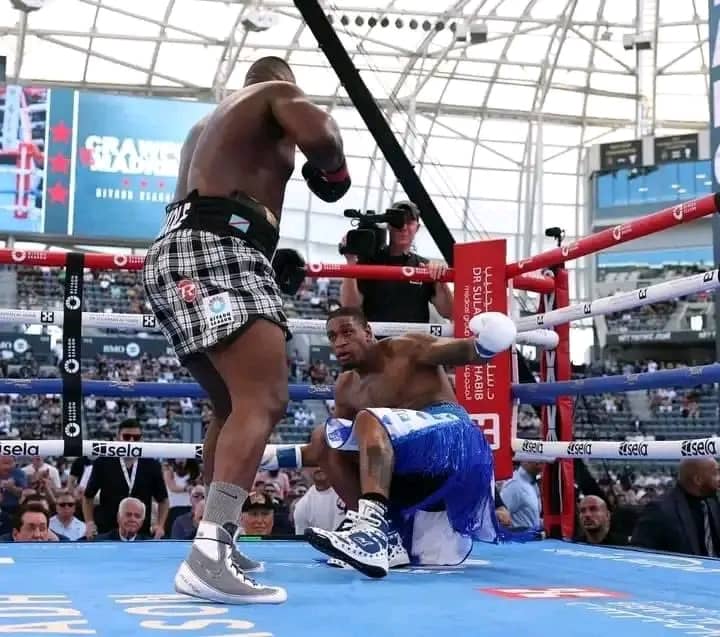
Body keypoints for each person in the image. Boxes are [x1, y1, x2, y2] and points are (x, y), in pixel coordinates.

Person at [142, 55, 350, 604]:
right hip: (220, 248)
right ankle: (208, 556)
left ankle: (220, 538)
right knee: (265, 398)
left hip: (180, 251)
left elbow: (212, 199)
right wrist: (334, 171)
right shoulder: (273, 95)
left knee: (231, 406)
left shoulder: (207, 128)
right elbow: (323, 135)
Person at [278, 306, 518, 577]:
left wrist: (487, 343)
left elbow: (464, 351)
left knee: (369, 418)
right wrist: (259, 459)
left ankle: (371, 529)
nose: (340, 342)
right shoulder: (346, 386)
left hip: (453, 443)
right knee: (325, 436)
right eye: (332, 337)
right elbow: (336, 447)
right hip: (407, 468)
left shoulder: (406, 348)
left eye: (347, 332)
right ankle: (383, 534)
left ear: (368, 332)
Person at [340, 200, 453, 323]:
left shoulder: (424, 267)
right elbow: (349, 308)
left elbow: (449, 312)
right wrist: (350, 262)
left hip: (414, 336)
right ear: (389, 225)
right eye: (398, 221)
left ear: (417, 228)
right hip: (376, 336)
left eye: (409, 222)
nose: (403, 227)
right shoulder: (368, 262)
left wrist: (440, 280)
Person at [631, 457, 719, 556]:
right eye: (716, 474)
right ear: (698, 480)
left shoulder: (711, 501)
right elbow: (639, 554)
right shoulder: (659, 510)